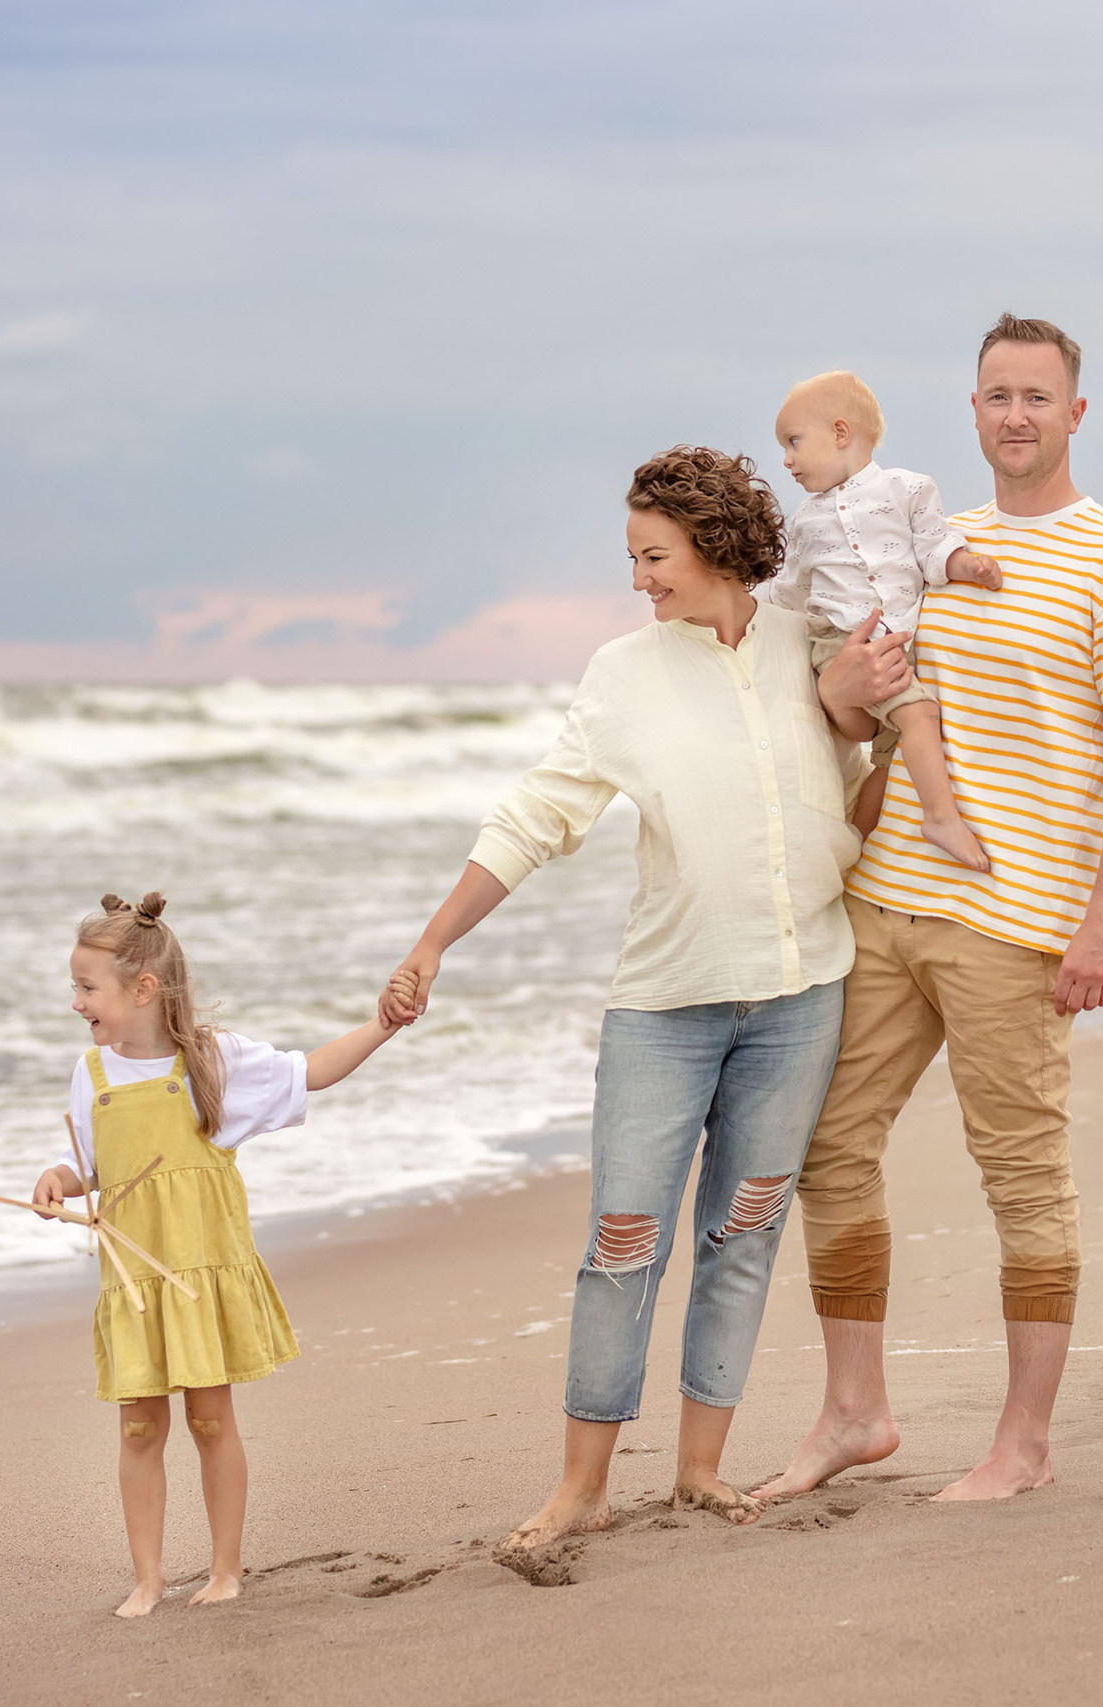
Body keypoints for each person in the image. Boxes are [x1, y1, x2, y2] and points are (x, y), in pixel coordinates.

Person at [380, 445, 869, 1554]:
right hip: (666, 1009)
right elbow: (537, 815)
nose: (638, 578)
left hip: (801, 1001)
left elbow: (865, 774)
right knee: (623, 1244)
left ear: (715, 544)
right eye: (634, 558)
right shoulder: (623, 673)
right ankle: (582, 1488)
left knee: (743, 1235)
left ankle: (699, 1470)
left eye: (654, 556)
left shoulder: (807, 642)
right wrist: (433, 942)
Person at [758, 313, 1103, 1504]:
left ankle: (1022, 1447)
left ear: (1075, 413)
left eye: (1036, 397)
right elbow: (860, 705)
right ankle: (855, 1413)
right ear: (973, 411)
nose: (1014, 416)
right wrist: (837, 688)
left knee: (1020, 1174)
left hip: (1015, 917)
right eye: (996, 395)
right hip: (882, 896)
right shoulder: (926, 542)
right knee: (827, 1144)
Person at [27, 891, 403, 1615]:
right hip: (136, 1284)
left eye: (86, 987)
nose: (76, 1003)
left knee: (209, 1421)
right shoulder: (92, 1073)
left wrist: (382, 1024)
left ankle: (226, 1568)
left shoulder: (211, 1059)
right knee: (139, 1428)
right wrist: (58, 1180)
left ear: (142, 988)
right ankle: (148, 1578)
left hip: (198, 1278)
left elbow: (311, 1071)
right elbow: (90, 1165)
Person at [763, 369, 1005, 874]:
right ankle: (940, 817)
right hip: (840, 641)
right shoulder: (806, 520)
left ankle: (852, 847)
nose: (786, 459)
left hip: (893, 647)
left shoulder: (908, 489)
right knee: (920, 715)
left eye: (793, 442)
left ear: (840, 432)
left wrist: (968, 566)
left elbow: (934, 547)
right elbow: (790, 592)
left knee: (889, 759)